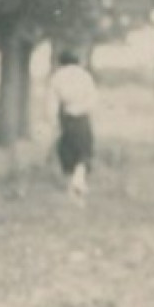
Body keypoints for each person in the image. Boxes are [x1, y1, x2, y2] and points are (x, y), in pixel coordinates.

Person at [46, 49, 97, 201]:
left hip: (66, 117)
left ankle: (73, 182)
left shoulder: (57, 77)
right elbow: (92, 98)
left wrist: (53, 120)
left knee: (67, 149)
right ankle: (79, 179)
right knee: (84, 149)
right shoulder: (85, 76)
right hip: (82, 117)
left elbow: (52, 102)